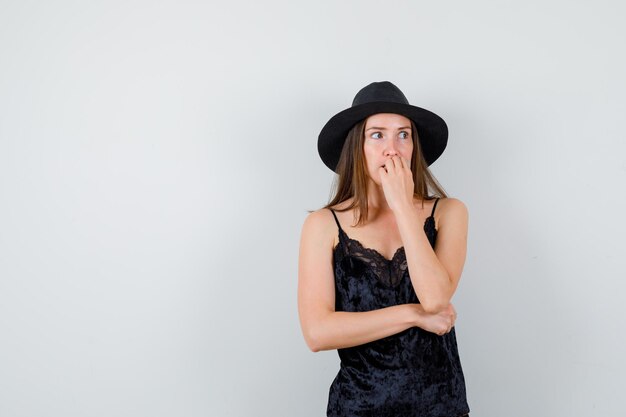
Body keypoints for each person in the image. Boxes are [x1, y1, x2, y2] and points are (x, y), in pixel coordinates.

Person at [297, 81, 470, 417]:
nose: (393, 148)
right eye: (378, 134)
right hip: (357, 408)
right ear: (356, 147)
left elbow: (435, 298)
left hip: (441, 406)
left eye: (403, 135)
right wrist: (413, 314)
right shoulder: (322, 225)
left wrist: (402, 207)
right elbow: (317, 333)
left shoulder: (449, 213)